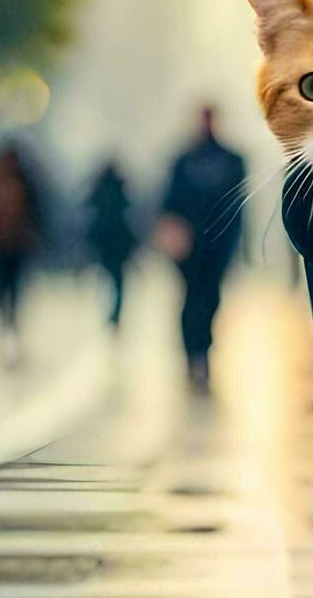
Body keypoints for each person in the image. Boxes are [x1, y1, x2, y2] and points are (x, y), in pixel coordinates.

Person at [156, 106, 246, 392]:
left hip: (217, 248)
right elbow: (169, 204)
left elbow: (239, 207)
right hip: (188, 248)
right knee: (192, 300)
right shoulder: (184, 161)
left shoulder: (232, 161)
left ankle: (202, 352)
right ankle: (193, 355)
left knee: (209, 300)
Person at [0, 146, 41, 364]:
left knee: (10, 291)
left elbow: (36, 210)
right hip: (1, 244)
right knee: (4, 292)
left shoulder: (18, 182)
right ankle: (8, 329)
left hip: (14, 245)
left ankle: (10, 330)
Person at [85, 161, 137, 325]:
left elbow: (88, 204)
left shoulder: (101, 188)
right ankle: (113, 312)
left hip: (107, 241)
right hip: (115, 241)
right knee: (116, 280)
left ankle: (111, 312)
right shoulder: (119, 187)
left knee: (109, 279)